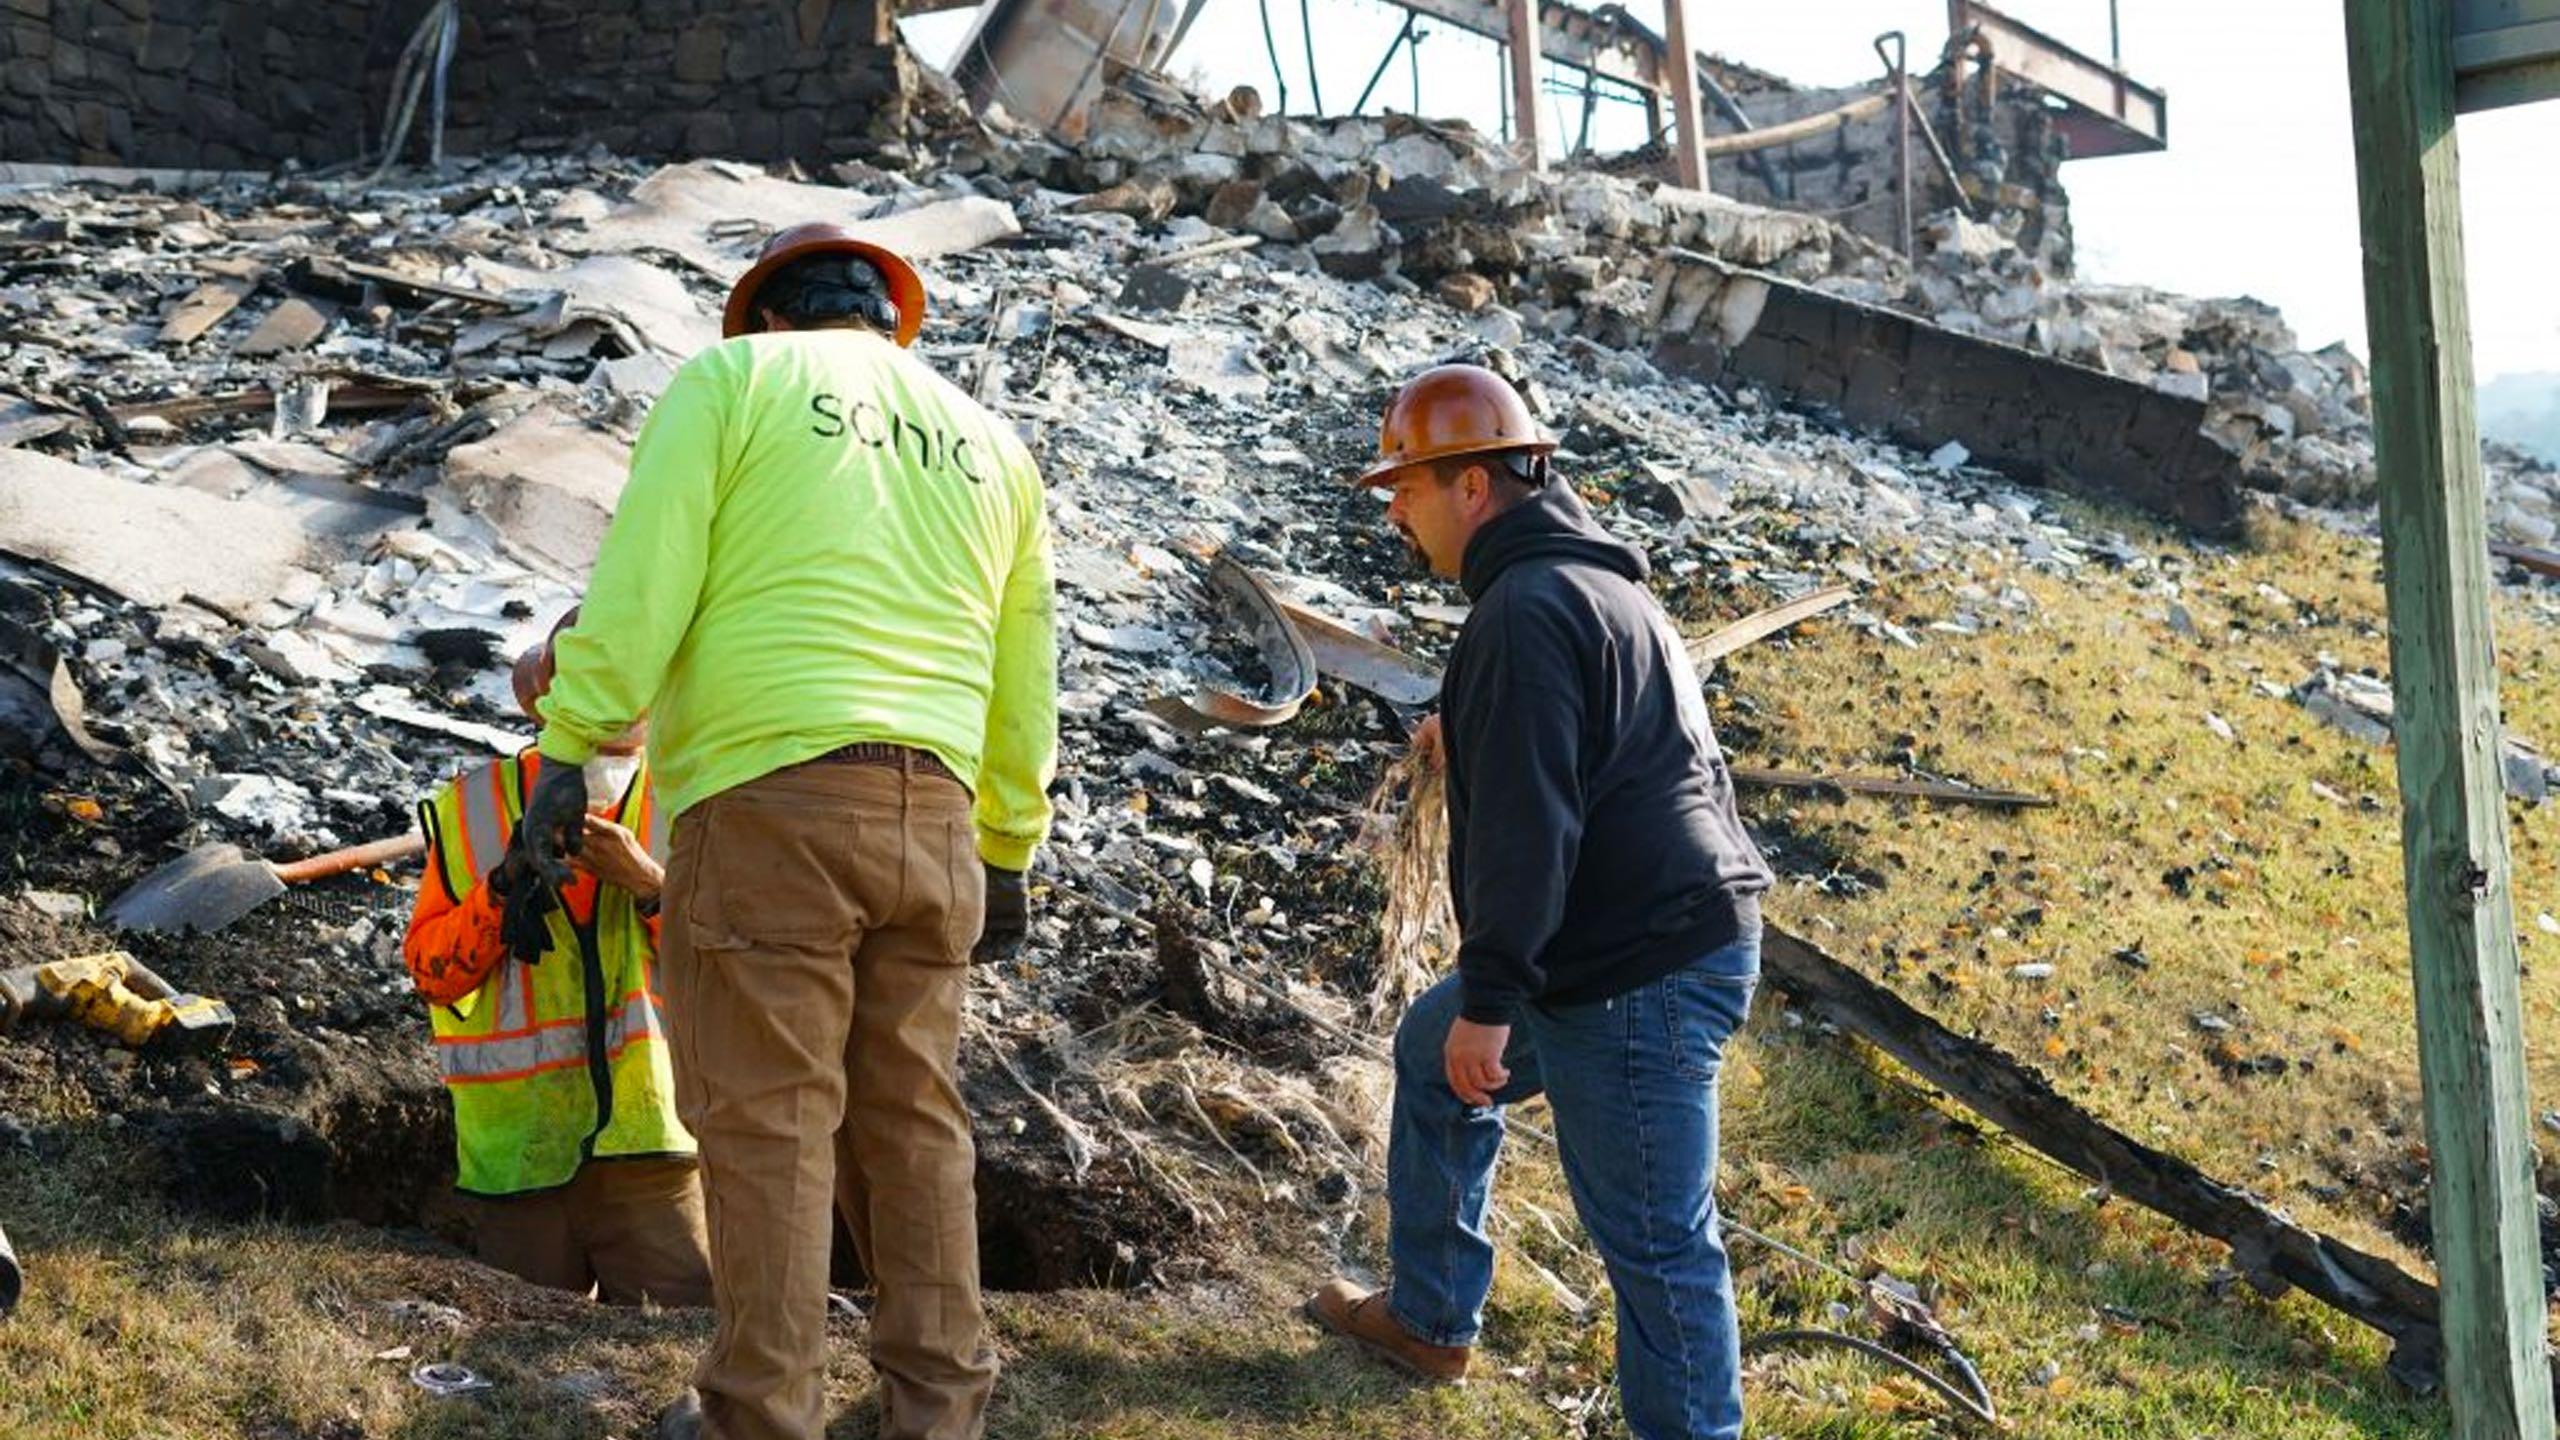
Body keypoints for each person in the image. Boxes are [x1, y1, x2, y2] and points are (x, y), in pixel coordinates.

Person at [511, 223, 1058, 1440]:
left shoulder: (731, 384)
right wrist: (1009, 842)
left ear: (765, 316)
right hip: (938, 816)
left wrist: (571, 746)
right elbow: (1028, 673)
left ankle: (764, 1413)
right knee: (914, 1121)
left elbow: (644, 586)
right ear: (887, 320)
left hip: (769, 800)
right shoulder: (992, 445)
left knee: (768, 1120)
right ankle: (938, 1408)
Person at [1305, 363, 1774, 1440]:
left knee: (1658, 1247)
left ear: (1473, 486)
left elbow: (1531, 824)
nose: (1395, 517)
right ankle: (1429, 1316)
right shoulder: (1600, 590)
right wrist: (1469, 729)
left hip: (1632, 970)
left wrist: (1494, 997)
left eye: (1406, 491)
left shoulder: (1523, 612)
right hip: (1630, 937)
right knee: (1430, 1059)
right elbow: (1595, 753)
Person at [404, 618, 711, 1308]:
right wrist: (501, 890)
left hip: (654, 1145)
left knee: (680, 1352)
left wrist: (650, 887)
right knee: (521, 1371)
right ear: (546, 699)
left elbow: (741, 971)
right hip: (519, 1160)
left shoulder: (691, 803)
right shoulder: (476, 806)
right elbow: (430, 972)